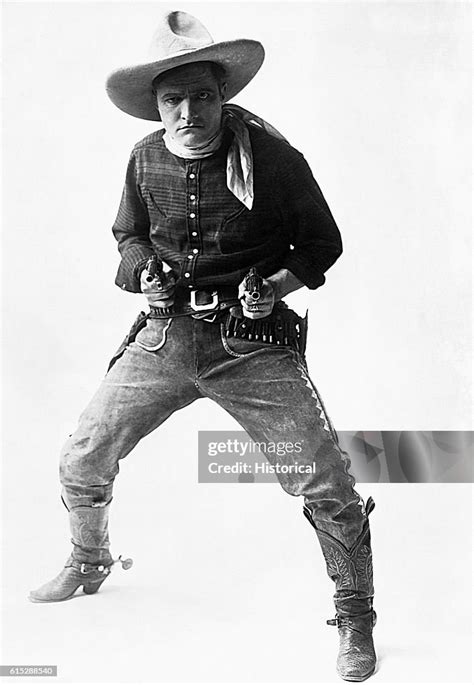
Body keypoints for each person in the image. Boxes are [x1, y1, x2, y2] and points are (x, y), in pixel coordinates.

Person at [29, 10, 377, 682]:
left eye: (202, 98)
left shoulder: (273, 159)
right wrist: (144, 275)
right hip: (164, 340)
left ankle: (355, 610)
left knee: (323, 479)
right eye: (173, 101)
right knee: (82, 452)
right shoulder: (144, 157)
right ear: (156, 106)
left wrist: (271, 286)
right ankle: (89, 556)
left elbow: (323, 244)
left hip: (251, 349)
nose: (188, 113)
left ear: (224, 97)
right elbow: (126, 239)